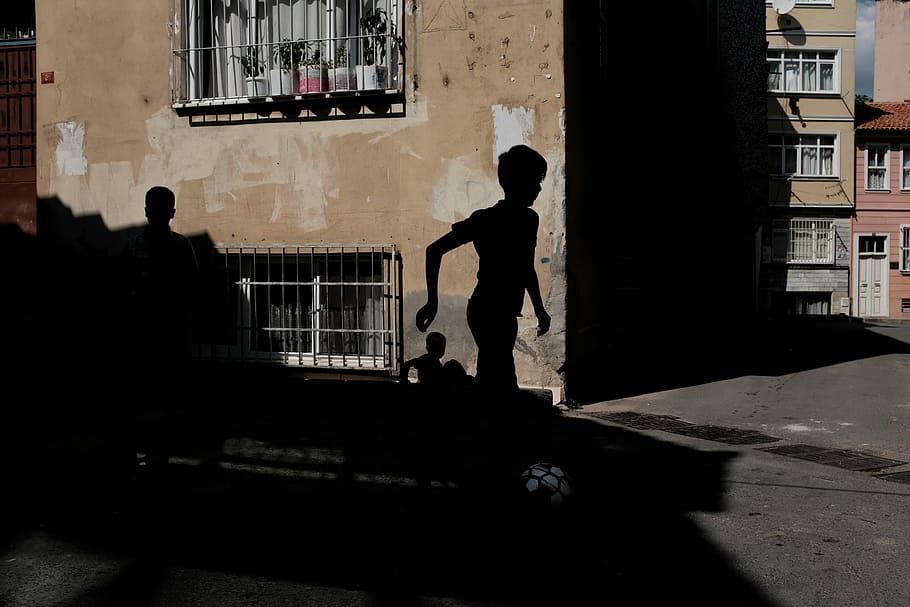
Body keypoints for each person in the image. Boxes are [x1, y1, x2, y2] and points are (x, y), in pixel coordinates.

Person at [415, 144, 551, 394]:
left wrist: (540, 310)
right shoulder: (504, 220)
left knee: (495, 376)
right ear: (519, 182)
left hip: (501, 311)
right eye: (535, 180)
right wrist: (432, 302)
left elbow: (525, 268)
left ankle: (482, 420)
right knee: (500, 378)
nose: (539, 187)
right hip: (489, 311)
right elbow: (434, 250)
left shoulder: (507, 220)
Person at [123, 186, 199, 368]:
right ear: (172, 213)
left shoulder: (134, 246)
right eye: (155, 209)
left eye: (159, 209)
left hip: (167, 329)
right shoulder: (181, 245)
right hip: (151, 329)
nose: (156, 214)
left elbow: (193, 286)